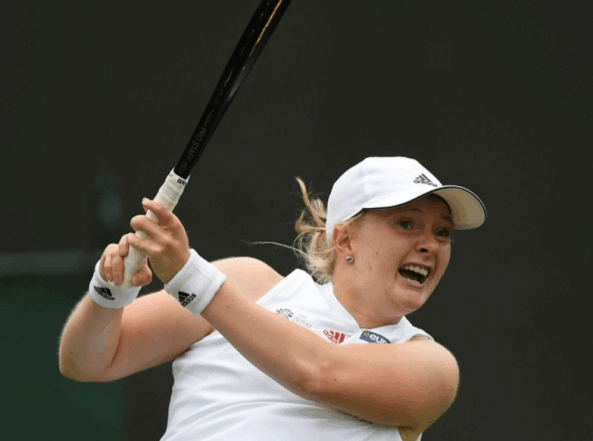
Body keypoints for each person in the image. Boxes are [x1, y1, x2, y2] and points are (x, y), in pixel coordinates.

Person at [59, 156, 486, 441]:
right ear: (344, 238)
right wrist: (109, 292)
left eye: (442, 232)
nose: (430, 244)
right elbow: (89, 362)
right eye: (406, 224)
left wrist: (189, 277)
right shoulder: (246, 283)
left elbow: (318, 373)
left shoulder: (429, 366)